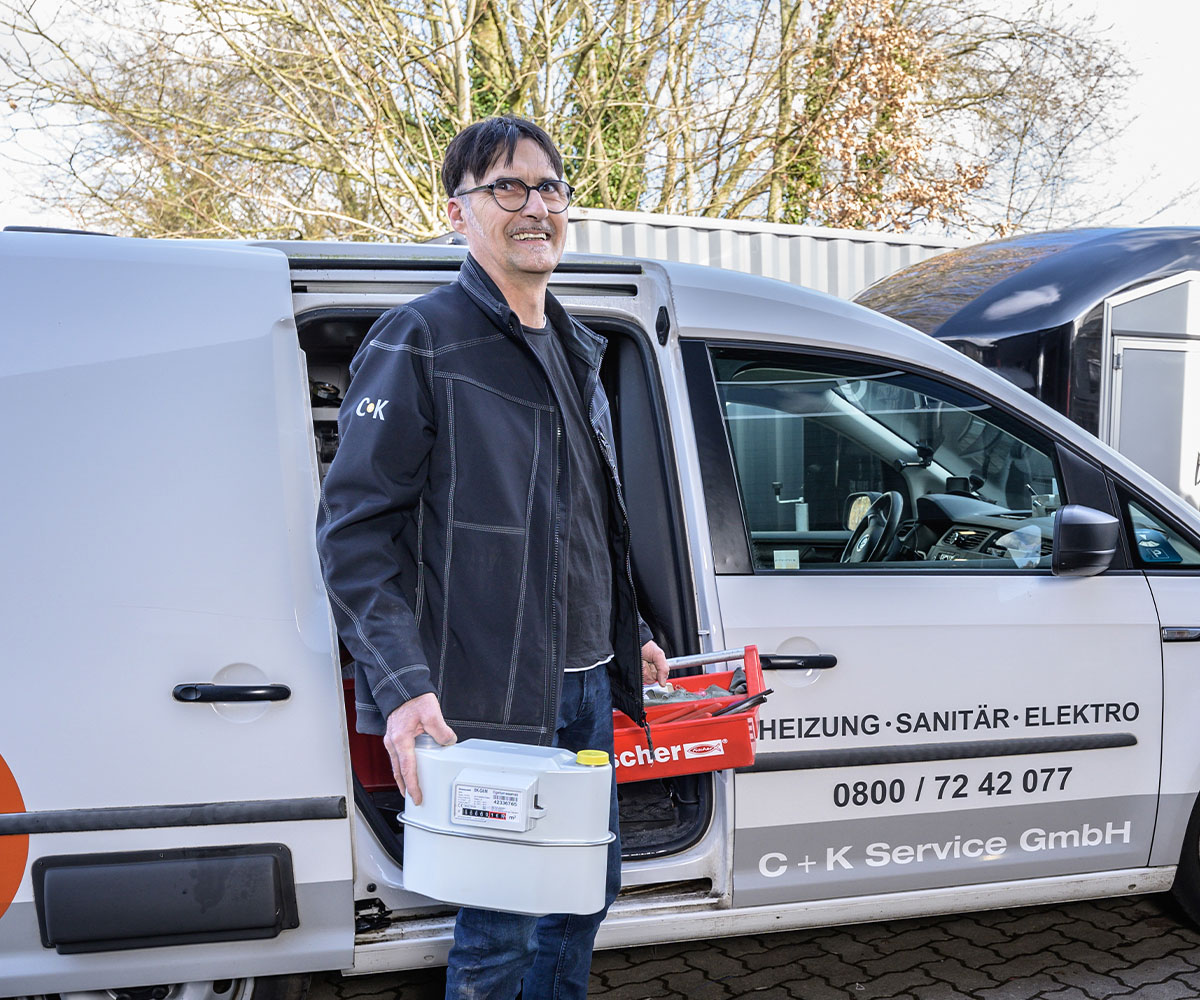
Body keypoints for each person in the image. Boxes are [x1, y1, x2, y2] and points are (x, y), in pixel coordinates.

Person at [316, 115, 669, 1000]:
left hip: (588, 682)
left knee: (582, 894)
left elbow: (584, 516)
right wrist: (403, 686)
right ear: (457, 214)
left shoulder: (578, 347)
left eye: (548, 187)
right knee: (502, 928)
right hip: (491, 690)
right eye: (504, 188)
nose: (533, 206)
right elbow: (355, 532)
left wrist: (633, 632)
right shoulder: (421, 338)